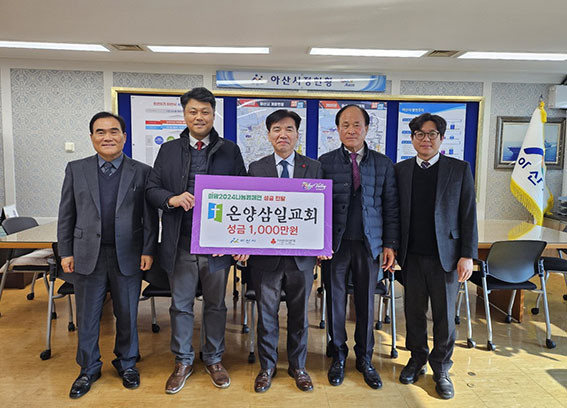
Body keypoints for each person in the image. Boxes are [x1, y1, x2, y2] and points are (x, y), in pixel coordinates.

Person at [146, 87, 248, 393]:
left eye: (205, 111)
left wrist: (239, 241)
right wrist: (172, 199)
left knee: (216, 305)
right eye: (193, 111)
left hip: (217, 245)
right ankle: (183, 361)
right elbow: (152, 190)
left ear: (213, 115)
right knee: (180, 306)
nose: (199, 117)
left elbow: (244, 194)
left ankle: (214, 359)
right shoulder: (169, 150)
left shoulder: (230, 150)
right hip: (180, 242)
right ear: (184, 115)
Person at [57, 111, 158, 399]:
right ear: (91, 137)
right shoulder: (76, 169)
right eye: (100, 132)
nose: (107, 137)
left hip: (129, 254)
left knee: (126, 313)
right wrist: (66, 251)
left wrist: (148, 249)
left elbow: (150, 216)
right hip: (87, 254)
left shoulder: (142, 171)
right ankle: (88, 368)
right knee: (88, 315)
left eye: (114, 131)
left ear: (124, 137)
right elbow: (67, 213)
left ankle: (127, 364)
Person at [394, 113, 478, 399]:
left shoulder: (459, 169)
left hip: (447, 257)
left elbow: (468, 214)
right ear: (412, 138)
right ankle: (417, 358)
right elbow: (394, 212)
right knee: (414, 312)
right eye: (419, 134)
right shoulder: (401, 170)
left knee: (444, 317)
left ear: (442, 138)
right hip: (412, 256)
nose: (425, 139)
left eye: (432, 134)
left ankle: (441, 367)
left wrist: (467, 255)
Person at [318, 104, 400, 389]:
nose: (351, 130)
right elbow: (317, 207)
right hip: (335, 246)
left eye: (356, 125)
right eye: (345, 125)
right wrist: (318, 244)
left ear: (366, 128)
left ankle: (365, 358)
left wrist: (390, 244)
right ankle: (338, 355)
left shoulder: (383, 163)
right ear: (337, 129)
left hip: (369, 245)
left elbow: (391, 207)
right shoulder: (324, 162)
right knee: (335, 301)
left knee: (366, 302)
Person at [247, 109, 322, 393]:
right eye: (277, 129)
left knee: (299, 315)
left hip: (301, 259)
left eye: (289, 129)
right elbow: (248, 210)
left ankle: (298, 366)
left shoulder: (313, 168)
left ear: (297, 135)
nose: (283, 135)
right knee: (266, 315)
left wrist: (322, 245)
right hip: (266, 258)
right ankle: (267, 367)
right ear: (269, 135)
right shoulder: (256, 168)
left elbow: (323, 209)